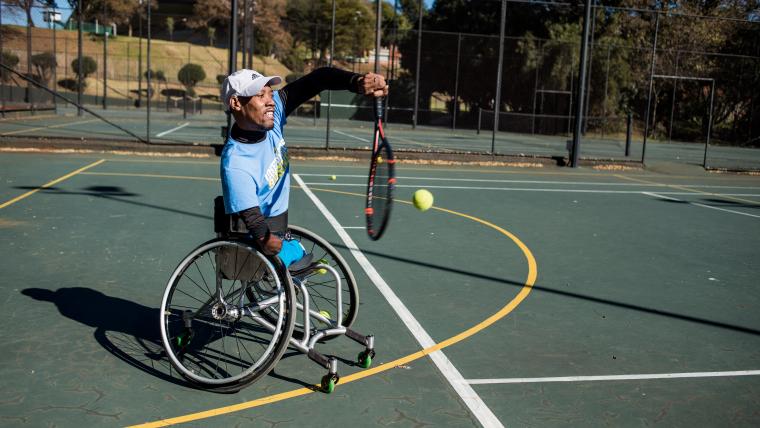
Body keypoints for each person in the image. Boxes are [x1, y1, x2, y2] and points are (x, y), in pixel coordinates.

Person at [220, 67, 389, 266]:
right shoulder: (235, 161)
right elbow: (257, 226)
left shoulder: (273, 118)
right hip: (258, 240)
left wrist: (357, 82)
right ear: (236, 103)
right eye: (260, 95)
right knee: (297, 254)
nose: (271, 101)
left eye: (270, 94)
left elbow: (318, 79)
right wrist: (274, 242)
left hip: (278, 227)